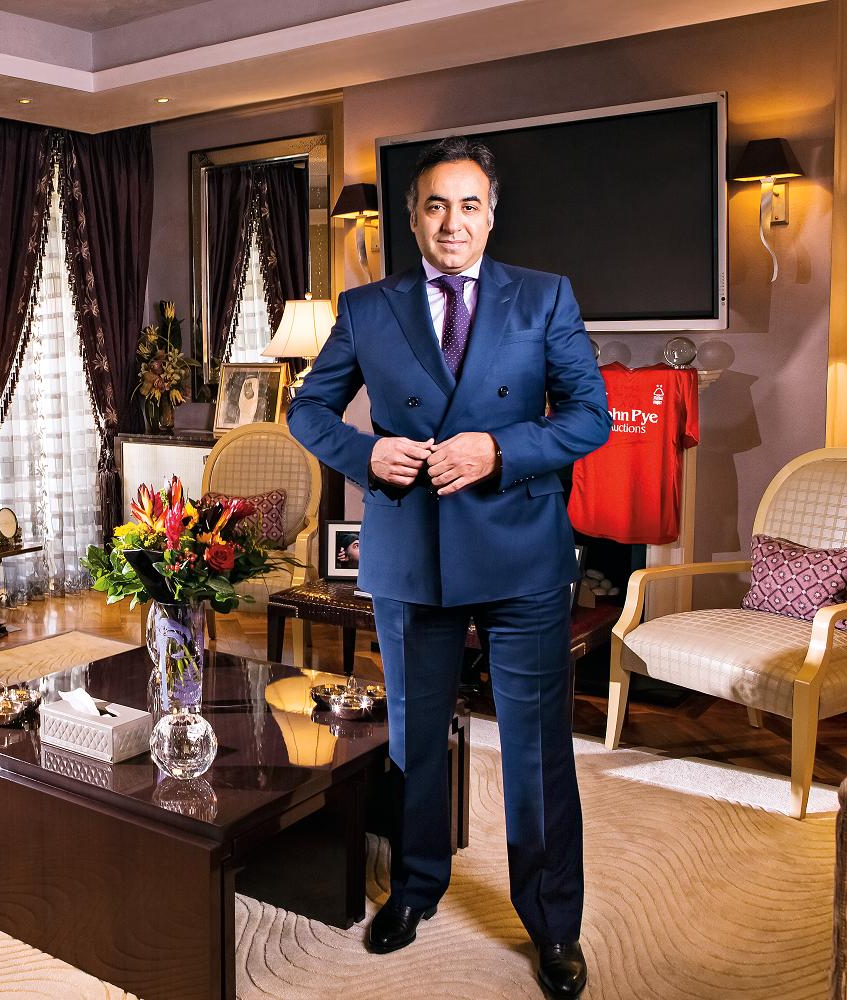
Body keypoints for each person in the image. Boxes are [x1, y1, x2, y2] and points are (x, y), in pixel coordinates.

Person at [287, 136, 609, 998]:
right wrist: (364, 453)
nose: (453, 221)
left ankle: (553, 923)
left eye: (469, 205)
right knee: (416, 739)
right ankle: (416, 888)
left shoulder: (545, 295)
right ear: (414, 215)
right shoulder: (366, 307)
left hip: (521, 552)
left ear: (491, 215)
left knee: (537, 752)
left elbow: (590, 417)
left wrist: (498, 451)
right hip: (412, 554)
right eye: (436, 204)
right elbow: (308, 409)